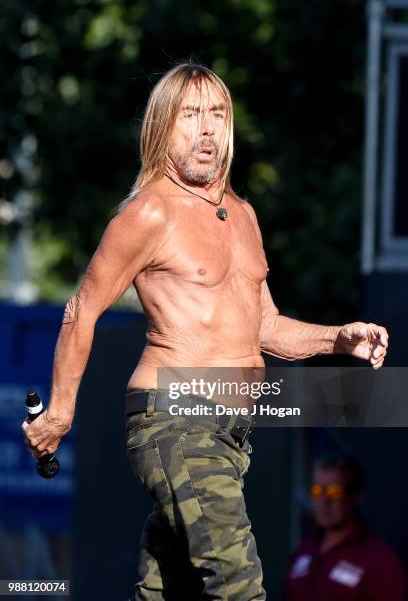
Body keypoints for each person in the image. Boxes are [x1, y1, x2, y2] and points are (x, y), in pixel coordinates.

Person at [22, 62, 389, 600]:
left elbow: (265, 326)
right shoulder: (148, 213)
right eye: (191, 115)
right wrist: (59, 413)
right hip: (176, 421)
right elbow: (80, 309)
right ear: (162, 128)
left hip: (234, 431)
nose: (208, 129)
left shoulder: (243, 214)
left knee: (167, 588)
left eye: (217, 114)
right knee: (238, 584)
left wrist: (339, 338)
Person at [284, 453, 406, 601]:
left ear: (358, 496)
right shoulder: (304, 548)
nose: (324, 501)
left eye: (334, 492)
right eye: (317, 491)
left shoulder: (380, 562)